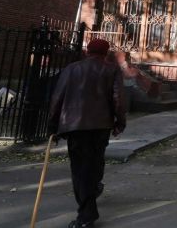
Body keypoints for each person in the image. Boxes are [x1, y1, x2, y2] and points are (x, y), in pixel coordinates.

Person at [48, 38, 126, 228]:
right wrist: (119, 122)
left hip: (75, 126)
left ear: (87, 51)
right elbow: (118, 98)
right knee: (96, 161)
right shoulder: (112, 69)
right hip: (101, 125)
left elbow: (57, 97)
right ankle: (90, 201)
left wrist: (53, 126)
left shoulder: (71, 69)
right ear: (106, 52)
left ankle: (87, 211)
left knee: (81, 169)